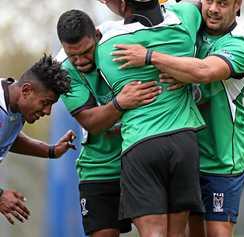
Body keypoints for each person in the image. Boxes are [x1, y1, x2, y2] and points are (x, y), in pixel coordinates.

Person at [111, 0, 244, 236]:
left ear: (237, 5)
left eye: (223, 3)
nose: (214, 9)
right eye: (209, 1)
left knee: (217, 233)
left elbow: (203, 71)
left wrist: (150, 56)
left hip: (224, 159)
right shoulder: (189, 25)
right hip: (187, 152)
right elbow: (150, 12)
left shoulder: (239, 45)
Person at [93, 0, 206, 236]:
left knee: (153, 233)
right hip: (183, 140)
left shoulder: (107, 47)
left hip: (140, 144)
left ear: (123, 4)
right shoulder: (184, 24)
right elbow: (198, 5)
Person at [56, 9, 161, 237]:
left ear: (96, 35)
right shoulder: (63, 70)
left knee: (157, 231)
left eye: (85, 52)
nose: (80, 61)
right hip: (99, 167)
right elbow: (91, 122)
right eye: (72, 55)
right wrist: (120, 103)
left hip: (140, 158)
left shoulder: (123, 39)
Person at [0, 54, 76, 225]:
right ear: (26, 90)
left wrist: (51, 151)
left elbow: (6, 136)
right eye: (45, 103)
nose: (48, 111)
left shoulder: (14, 103)